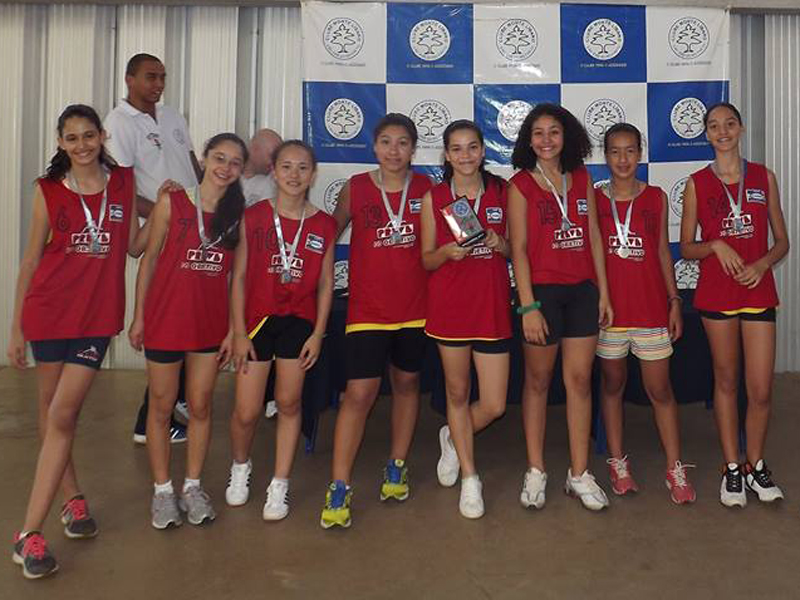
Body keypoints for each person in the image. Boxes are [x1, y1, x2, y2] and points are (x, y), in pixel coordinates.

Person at [7, 104, 143, 579]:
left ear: (102, 135)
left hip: (95, 318)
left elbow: (135, 244)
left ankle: (28, 533)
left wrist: (173, 203)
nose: (82, 145)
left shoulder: (124, 183)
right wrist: (16, 326)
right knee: (53, 414)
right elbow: (29, 261)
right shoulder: (47, 191)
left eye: (89, 135)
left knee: (62, 414)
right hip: (48, 312)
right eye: (72, 138)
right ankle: (71, 500)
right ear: (61, 142)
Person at [320, 113, 433, 529]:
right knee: (359, 394)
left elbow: (452, 233)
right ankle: (339, 484)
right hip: (368, 310)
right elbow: (326, 233)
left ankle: (397, 464)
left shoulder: (426, 188)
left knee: (406, 384)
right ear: (374, 146)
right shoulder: (356, 188)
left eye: (403, 143)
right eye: (386, 142)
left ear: (413, 149)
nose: (394, 151)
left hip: (416, 308)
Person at [128, 133, 247, 529]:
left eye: (233, 162)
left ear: (241, 170)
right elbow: (148, 261)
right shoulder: (171, 201)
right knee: (161, 408)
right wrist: (139, 316)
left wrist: (233, 328)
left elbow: (237, 279)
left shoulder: (238, 214)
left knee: (200, 406)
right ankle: (162, 490)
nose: (224, 167)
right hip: (165, 320)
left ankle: (192, 486)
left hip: (209, 326)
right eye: (219, 158)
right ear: (203, 160)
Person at [680, 102, 789, 508]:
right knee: (725, 381)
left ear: (740, 129)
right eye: (713, 126)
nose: (722, 131)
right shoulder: (695, 184)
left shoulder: (764, 177)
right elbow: (688, 248)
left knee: (759, 389)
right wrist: (715, 244)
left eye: (729, 124)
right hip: (717, 295)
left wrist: (762, 262)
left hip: (757, 291)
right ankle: (731, 468)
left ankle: (755, 464)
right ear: (706, 134)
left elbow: (782, 240)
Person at [508, 103, 613, 512]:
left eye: (554, 131)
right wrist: (528, 305)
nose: (546, 140)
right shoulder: (520, 185)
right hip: (543, 295)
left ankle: (579, 473)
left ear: (566, 136)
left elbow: (595, 239)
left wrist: (603, 292)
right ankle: (536, 469)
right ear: (528, 140)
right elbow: (516, 249)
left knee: (580, 382)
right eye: (538, 132)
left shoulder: (583, 178)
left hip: (583, 292)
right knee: (537, 382)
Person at [226, 140, 335, 520]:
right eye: (286, 167)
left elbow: (324, 285)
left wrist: (318, 333)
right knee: (246, 410)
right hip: (257, 322)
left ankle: (280, 483)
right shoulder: (253, 216)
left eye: (303, 168)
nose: (294, 175)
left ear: (313, 174)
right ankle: (241, 467)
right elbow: (238, 277)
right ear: (273, 171)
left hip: (299, 324)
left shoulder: (323, 223)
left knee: (290, 403)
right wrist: (238, 331)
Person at [595, 123, 696, 504]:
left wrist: (674, 301)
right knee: (613, 386)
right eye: (615, 151)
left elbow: (660, 252)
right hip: (611, 316)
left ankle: (675, 466)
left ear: (640, 153)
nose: (623, 159)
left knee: (660, 390)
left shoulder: (655, 197)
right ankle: (617, 462)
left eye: (630, 151)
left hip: (652, 310)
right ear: (605, 157)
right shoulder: (596, 199)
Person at [104, 52, 202, 444]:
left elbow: (194, 167)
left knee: (187, 313)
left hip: (192, 227)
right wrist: (166, 214)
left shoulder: (174, 116)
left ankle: (172, 399)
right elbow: (124, 190)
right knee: (166, 320)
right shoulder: (118, 124)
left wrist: (209, 202)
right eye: (150, 77)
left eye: (162, 77)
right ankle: (149, 420)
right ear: (129, 79)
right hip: (162, 230)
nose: (158, 84)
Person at [420, 120, 511, 519]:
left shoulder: (502, 192)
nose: (465, 156)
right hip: (450, 308)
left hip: (490, 305)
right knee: (457, 394)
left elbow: (516, 251)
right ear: (446, 155)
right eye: (456, 149)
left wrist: (498, 242)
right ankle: (471, 479)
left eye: (472, 147)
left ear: (482, 151)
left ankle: (453, 437)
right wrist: (445, 253)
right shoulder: (434, 197)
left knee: (493, 405)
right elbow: (425, 259)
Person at [241, 128, 283, 208]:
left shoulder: (276, 182)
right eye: (271, 156)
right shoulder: (229, 175)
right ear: (254, 149)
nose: (274, 163)